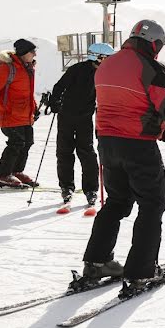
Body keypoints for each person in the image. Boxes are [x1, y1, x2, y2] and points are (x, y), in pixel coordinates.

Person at [78, 20, 165, 297]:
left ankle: (97, 262)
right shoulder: (150, 66)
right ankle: (141, 272)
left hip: (107, 142)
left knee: (117, 201)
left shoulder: (107, 64)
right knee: (151, 205)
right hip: (138, 144)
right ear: (154, 44)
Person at [49, 43, 116, 206]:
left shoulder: (104, 74)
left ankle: (91, 189)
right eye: (108, 58)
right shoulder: (76, 70)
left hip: (85, 118)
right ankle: (66, 186)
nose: (110, 61)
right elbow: (59, 87)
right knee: (64, 152)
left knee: (86, 152)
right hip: (66, 115)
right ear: (98, 57)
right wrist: (54, 102)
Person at [0, 39, 39, 188]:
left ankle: (16, 171)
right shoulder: (6, 69)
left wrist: (34, 108)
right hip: (8, 113)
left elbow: (27, 93)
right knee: (16, 143)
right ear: (23, 53)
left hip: (25, 115)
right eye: (32, 51)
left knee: (27, 142)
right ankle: (2, 175)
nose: (35, 54)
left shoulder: (27, 68)